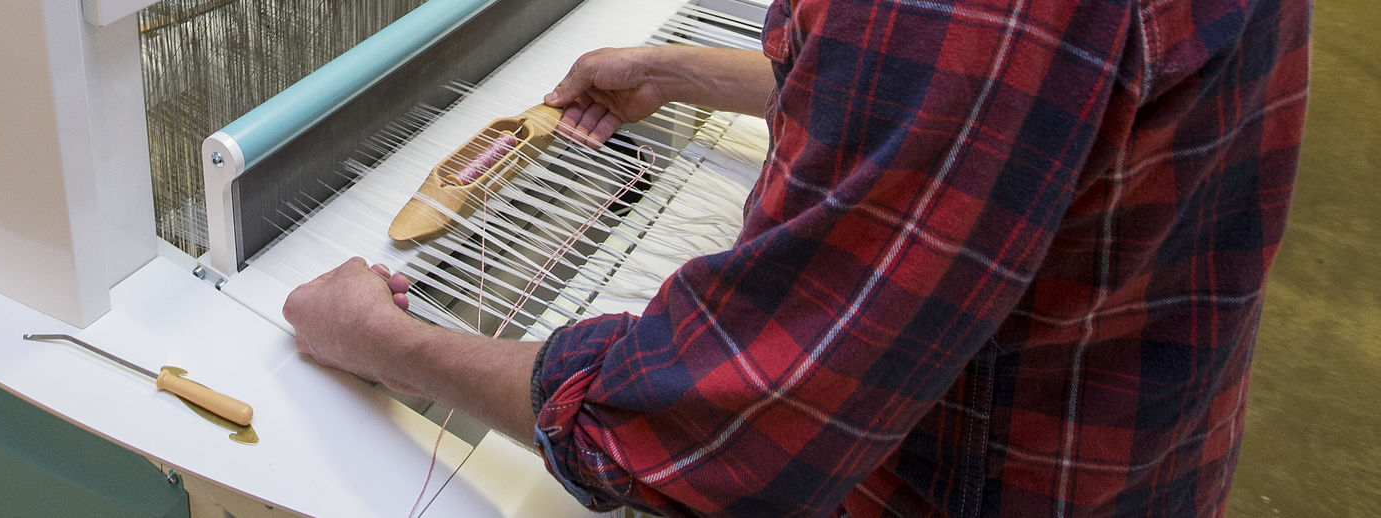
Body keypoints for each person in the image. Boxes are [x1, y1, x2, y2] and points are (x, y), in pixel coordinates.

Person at [283, 0, 1311, 514]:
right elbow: (1032, 104)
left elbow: (707, 433)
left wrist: (378, 335)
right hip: (1131, 437)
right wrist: (683, 69)